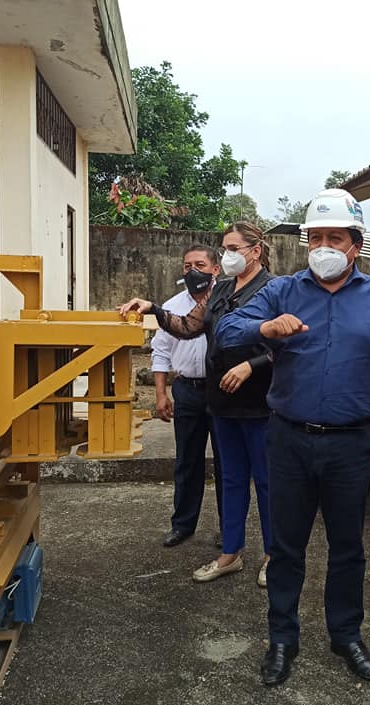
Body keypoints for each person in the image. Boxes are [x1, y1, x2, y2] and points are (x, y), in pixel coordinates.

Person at [213, 188, 370, 687]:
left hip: (352, 443)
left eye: (335, 238)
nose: (324, 246)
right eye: (316, 237)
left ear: (356, 245)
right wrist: (265, 326)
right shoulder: (283, 291)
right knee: (287, 547)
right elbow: (226, 331)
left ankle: (346, 635)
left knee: (348, 545)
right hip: (289, 439)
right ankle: (282, 639)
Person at [120, 222, 275, 586]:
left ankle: (275, 555)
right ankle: (230, 553)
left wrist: (250, 366)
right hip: (221, 401)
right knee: (231, 479)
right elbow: (189, 326)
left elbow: (287, 344)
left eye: (234, 248)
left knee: (268, 481)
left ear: (256, 251)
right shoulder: (220, 290)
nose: (228, 255)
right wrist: (153, 308)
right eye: (225, 248)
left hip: (259, 403)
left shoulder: (274, 289)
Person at [148, 244, 223, 549]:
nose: (193, 271)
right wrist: (161, 393)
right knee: (187, 462)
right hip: (187, 391)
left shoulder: (226, 301)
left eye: (200, 265)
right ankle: (182, 525)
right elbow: (160, 352)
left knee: (226, 463)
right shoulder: (172, 306)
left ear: (215, 269)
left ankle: (228, 529)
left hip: (222, 392)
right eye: (188, 265)